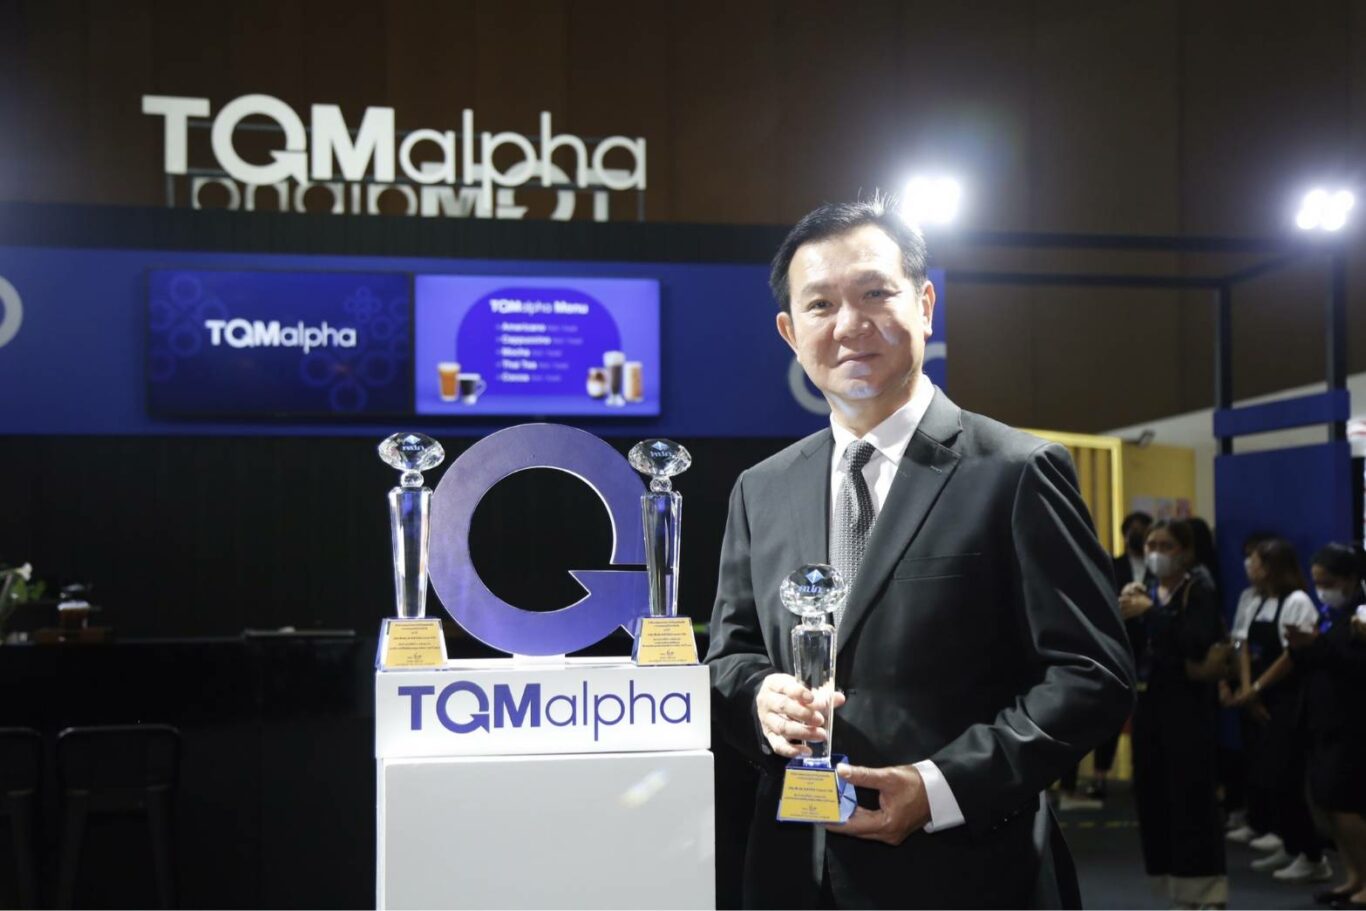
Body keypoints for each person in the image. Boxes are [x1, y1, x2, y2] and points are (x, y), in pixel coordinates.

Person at [705, 197, 1136, 909]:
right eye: (820, 305)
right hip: (792, 874)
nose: (850, 324)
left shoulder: (1016, 471)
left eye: (875, 293)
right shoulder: (762, 489)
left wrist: (942, 786)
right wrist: (759, 698)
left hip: (968, 873)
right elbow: (731, 654)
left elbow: (1092, 674)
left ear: (925, 303)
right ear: (790, 331)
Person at [1119, 519, 1230, 908]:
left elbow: (1194, 642)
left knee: (1192, 798)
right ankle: (1176, 889)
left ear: (1185, 551)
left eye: (1166, 545)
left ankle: (1208, 891)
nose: (1156, 553)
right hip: (1149, 705)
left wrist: (1151, 613)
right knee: (1153, 796)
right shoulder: (1146, 591)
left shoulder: (1198, 590)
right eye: (1151, 545)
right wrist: (1129, 608)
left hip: (1188, 707)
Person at [1223, 537, 1329, 883]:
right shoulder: (1256, 600)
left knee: (1288, 777)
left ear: (1272, 567)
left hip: (1287, 698)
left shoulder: (1296, 601)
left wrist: (1257, 687)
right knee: (1266, 773)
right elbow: (1242, 646)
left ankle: (1313, 855)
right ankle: (1290, 843)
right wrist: (1247, 689)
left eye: (1255, 561)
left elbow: (1290, 656)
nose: (1249, 567)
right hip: (1259, 697)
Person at [1286, 543, 1366, 908]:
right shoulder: (1331, 613)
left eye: (1328, 582)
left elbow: (1355, 663)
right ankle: (1354, 876)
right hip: (1322, 718)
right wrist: (1303, 646)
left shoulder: (1360, 613)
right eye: (1317, 582)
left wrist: (1319, 646)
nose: (1322, 590)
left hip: (1352, 721)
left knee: (1345, 804)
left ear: (1350, 579)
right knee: (1326, 805)